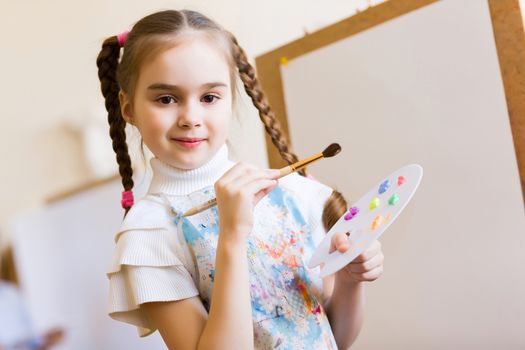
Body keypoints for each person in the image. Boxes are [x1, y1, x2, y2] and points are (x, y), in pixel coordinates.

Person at [97, 9, 384, 349]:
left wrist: (350, 281)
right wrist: (231, 237)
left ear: (231, 100)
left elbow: (335, 338)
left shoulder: (289, 194)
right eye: (166, 99)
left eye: (209, 97)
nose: (191, 117)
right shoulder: (148, 234)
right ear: (128, 108)